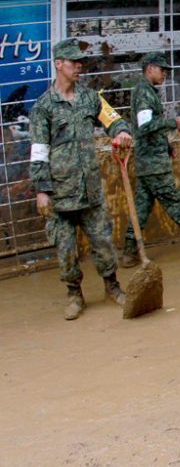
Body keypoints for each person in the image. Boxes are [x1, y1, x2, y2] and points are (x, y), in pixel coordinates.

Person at [28, 38, 133, 320]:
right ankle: (74, 294)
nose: (78, 67)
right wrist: (41, 190)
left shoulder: (90, 97)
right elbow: (39, 152)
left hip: (90, 191)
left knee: (103, 243)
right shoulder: (43, 107)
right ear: (58, 64)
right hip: (60, 194)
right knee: (65, 251)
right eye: (73, 62)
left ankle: (112, 287)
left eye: (80, 62)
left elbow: (114, 119)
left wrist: (121, 131)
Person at [121, 51, 180, 267]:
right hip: (153, 164)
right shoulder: (143, 92)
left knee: (142, 206)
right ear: (150, 68)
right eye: (162, 69)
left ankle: (129, 252)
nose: (164, 74)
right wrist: (174, 123)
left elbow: (150, 127)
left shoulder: (147, 91)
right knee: (173, 200)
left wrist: (167, 145)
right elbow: (145, 126)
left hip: (150, 161)